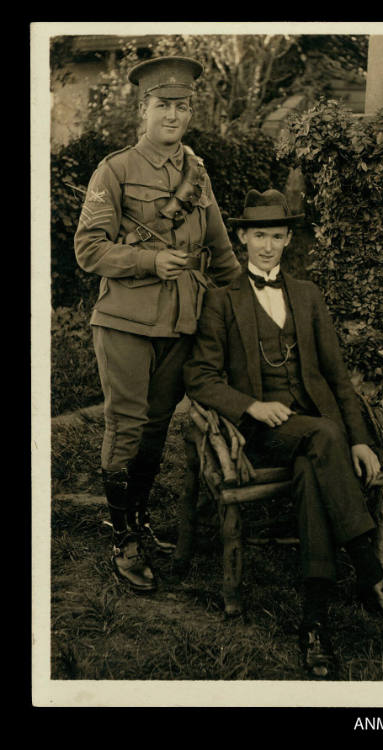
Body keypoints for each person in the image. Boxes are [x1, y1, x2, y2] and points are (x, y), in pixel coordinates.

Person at [183, 189, 383, 676]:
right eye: (259, 236)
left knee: (313, 469)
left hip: (318, 436)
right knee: (322, 438)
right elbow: (200, 378)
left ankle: (314, 624)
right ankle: (372, 576)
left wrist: (359, 439)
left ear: (289, 240)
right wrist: (252, 405)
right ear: (242, 238)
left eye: (277, 236)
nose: (268, 246)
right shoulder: (221, 300)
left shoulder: (308, 295)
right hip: (263, 432)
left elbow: (338, 378)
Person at [74, 56, 241, 593]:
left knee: (156, 425)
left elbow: (221, 251)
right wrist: (148, 262)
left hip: (181, 323)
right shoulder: (115, 169)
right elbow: (88, 248)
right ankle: (121, 537)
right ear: (142, 110)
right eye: (162, 106)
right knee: (125, 423)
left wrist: (247, 303)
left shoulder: (199, 173)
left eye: (181, 106)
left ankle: (140, 521)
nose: (173, 115)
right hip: (124, 321)